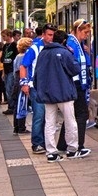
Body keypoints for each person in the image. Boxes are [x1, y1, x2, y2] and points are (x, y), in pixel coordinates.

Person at [34, 28, 82, 163]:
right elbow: (75, 70)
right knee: (70, 121)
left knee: (49, 123)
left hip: (47, 94)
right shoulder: (64, 53)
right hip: (64, 93)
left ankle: (51, 152)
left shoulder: (43, 54)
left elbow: (37, 73)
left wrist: (39, 90)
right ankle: (72, 149)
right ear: (64, 41)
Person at [57, 19, 92, 157]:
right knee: (81, 114)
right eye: (85, 32)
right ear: (77, 30)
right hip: (76, 83)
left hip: (77, 82)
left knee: (71, 115)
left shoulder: (78, 43)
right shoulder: (72, 43)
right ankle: (79, 145)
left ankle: (62, 143)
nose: (87, 35)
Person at [20, 26, 47, 154]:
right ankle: (37, 143)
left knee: (48, 117)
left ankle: (45, 142)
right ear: (43, 35)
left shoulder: (53, 47)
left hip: (49, 87)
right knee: (39, 115)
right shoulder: (35, 48)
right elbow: (23, 65)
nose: (51, 38)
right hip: (36, 86)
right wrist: (24, 83)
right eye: (49, 34)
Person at [12, 37, 32, 134]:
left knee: (17, 104)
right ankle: (21, 126)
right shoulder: (25, 57)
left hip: (16, 80)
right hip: (22, 80)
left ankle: (16, 126)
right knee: (22, 104)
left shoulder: (17, 56)